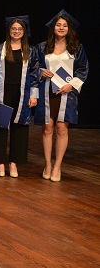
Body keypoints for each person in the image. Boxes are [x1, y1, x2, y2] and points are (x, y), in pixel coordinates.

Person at [34, 10, 89, 182]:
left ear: (69, 29)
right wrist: (41, 71)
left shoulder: (76, 48)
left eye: (65, 25)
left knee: (61, 128)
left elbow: (83, 69)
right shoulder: (42, 47)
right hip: (46, 91)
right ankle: (47, 165)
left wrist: (71, 85)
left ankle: (57, 166)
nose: (61, 28)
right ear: (53, 27)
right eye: (58, 25)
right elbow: (33, 67)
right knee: (47, 128)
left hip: (66, 93)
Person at [0, 16, 38, 178]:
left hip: (22, 93)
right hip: (2, 91)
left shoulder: (31, 51)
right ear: (9, 31)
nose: (16, 31)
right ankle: (0, 163)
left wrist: (34, 95)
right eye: (13, 28)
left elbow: (35, 73)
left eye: (20, 29)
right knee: (0, 127)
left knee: (20, 127)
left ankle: (14, 163)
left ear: (24, 31)